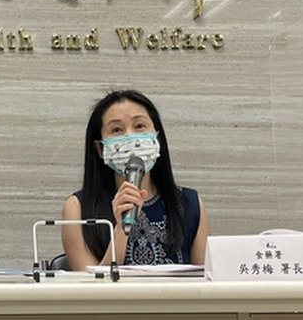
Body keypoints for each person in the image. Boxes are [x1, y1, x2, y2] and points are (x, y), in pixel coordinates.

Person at [61, 89, 209, 269]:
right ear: (100, 149)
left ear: (157, 139)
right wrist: (120, 231)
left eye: (139, 126)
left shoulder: (190, 204)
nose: (130, 137)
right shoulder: (77, 208)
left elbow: (205, 281)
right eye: (117, 130)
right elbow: (88, 285)